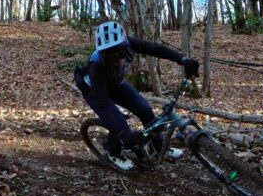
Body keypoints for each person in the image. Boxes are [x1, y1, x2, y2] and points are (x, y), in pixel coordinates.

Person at [74, 21, 200, 171]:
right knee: (118, 124)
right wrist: (123, 133)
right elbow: (102, 102)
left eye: (119, 52)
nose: (116, 58)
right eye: (109, 54)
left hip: (116, 84)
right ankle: (113, 154)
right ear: (102, 53)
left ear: (125, 44)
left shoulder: (131, 44)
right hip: (95, 91)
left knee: (145, 110)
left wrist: (182, 60)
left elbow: (156, 49)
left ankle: (159, 147)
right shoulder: (96, 65)